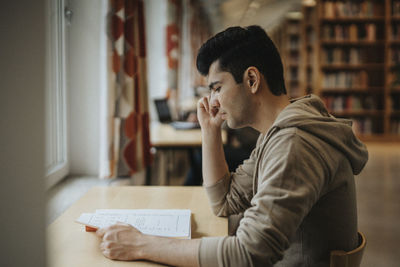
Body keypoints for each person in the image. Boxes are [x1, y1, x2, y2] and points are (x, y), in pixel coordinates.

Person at [96, 25, 368, 266]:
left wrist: (143, 244)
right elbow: (225, 203)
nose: (212, 101)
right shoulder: (278, 133)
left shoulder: (294, 144)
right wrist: (210, 133)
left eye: (216, 88)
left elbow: (248, 255)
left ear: (251, 80)